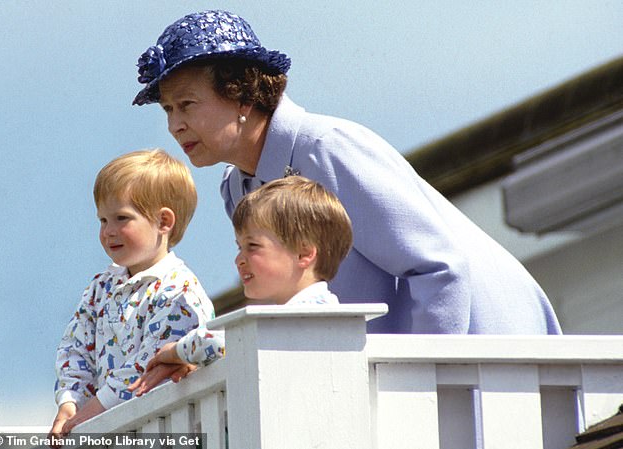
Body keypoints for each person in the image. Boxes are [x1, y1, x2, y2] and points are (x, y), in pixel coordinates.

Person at [132, 9, 562, 335]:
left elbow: (439, 267)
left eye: (187, 104)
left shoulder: (327, 147)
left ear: (241, 94)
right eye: (168, 109)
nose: (174, 125)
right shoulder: (237, 186)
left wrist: (416, 390)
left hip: (492, 356)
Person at [128, 176, 353, 396]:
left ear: (304, 253)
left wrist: (175, 352)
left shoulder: (310, 312)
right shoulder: (297, 315)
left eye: (252, 246)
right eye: (239, 248)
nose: (239, 260)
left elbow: (219, 340)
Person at [49, 150, 217, 438]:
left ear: (164, 222)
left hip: (165, 431)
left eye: (121, 218)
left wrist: (95, 410)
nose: (108, 231)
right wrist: (71, 401)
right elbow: (75, 346)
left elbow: (151, 360)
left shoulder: (180, 291)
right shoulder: (101, 286)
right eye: (102, 220)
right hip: (112, 431)